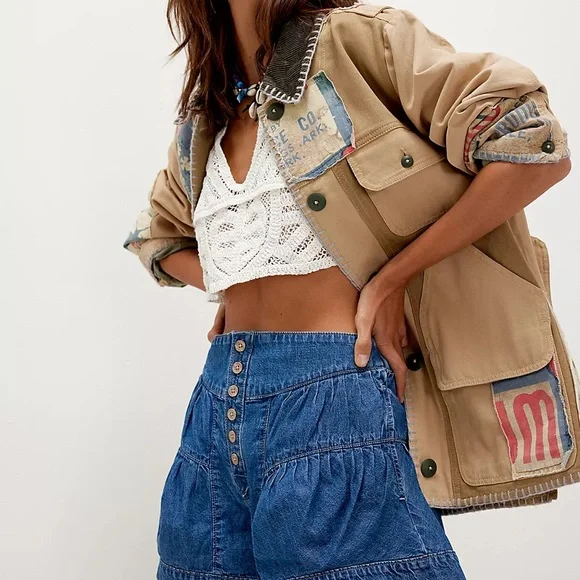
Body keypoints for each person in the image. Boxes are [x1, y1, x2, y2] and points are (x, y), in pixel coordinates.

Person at [123, 1, 576, 578]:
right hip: (214, 411)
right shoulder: (206, 112)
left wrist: (391, 279)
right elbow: (157, 238)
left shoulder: (357, 42)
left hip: (335, 388)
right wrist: (238, 273)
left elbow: (533, 145)